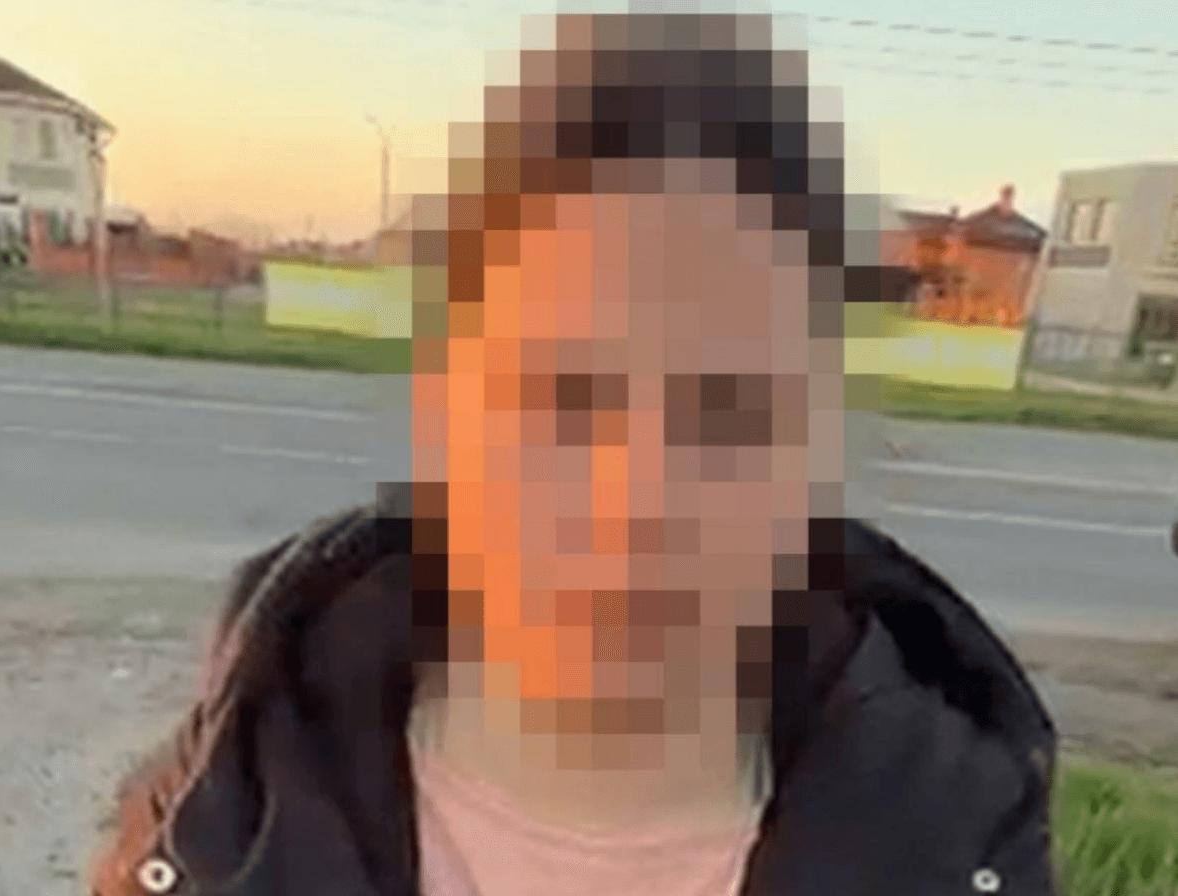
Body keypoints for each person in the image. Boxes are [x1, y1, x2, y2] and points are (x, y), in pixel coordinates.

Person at [86, 9, 1058, 896]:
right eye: (561, 393)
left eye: (727, 406)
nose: (635, 490)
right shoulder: (216, 828)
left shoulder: (948, 847)